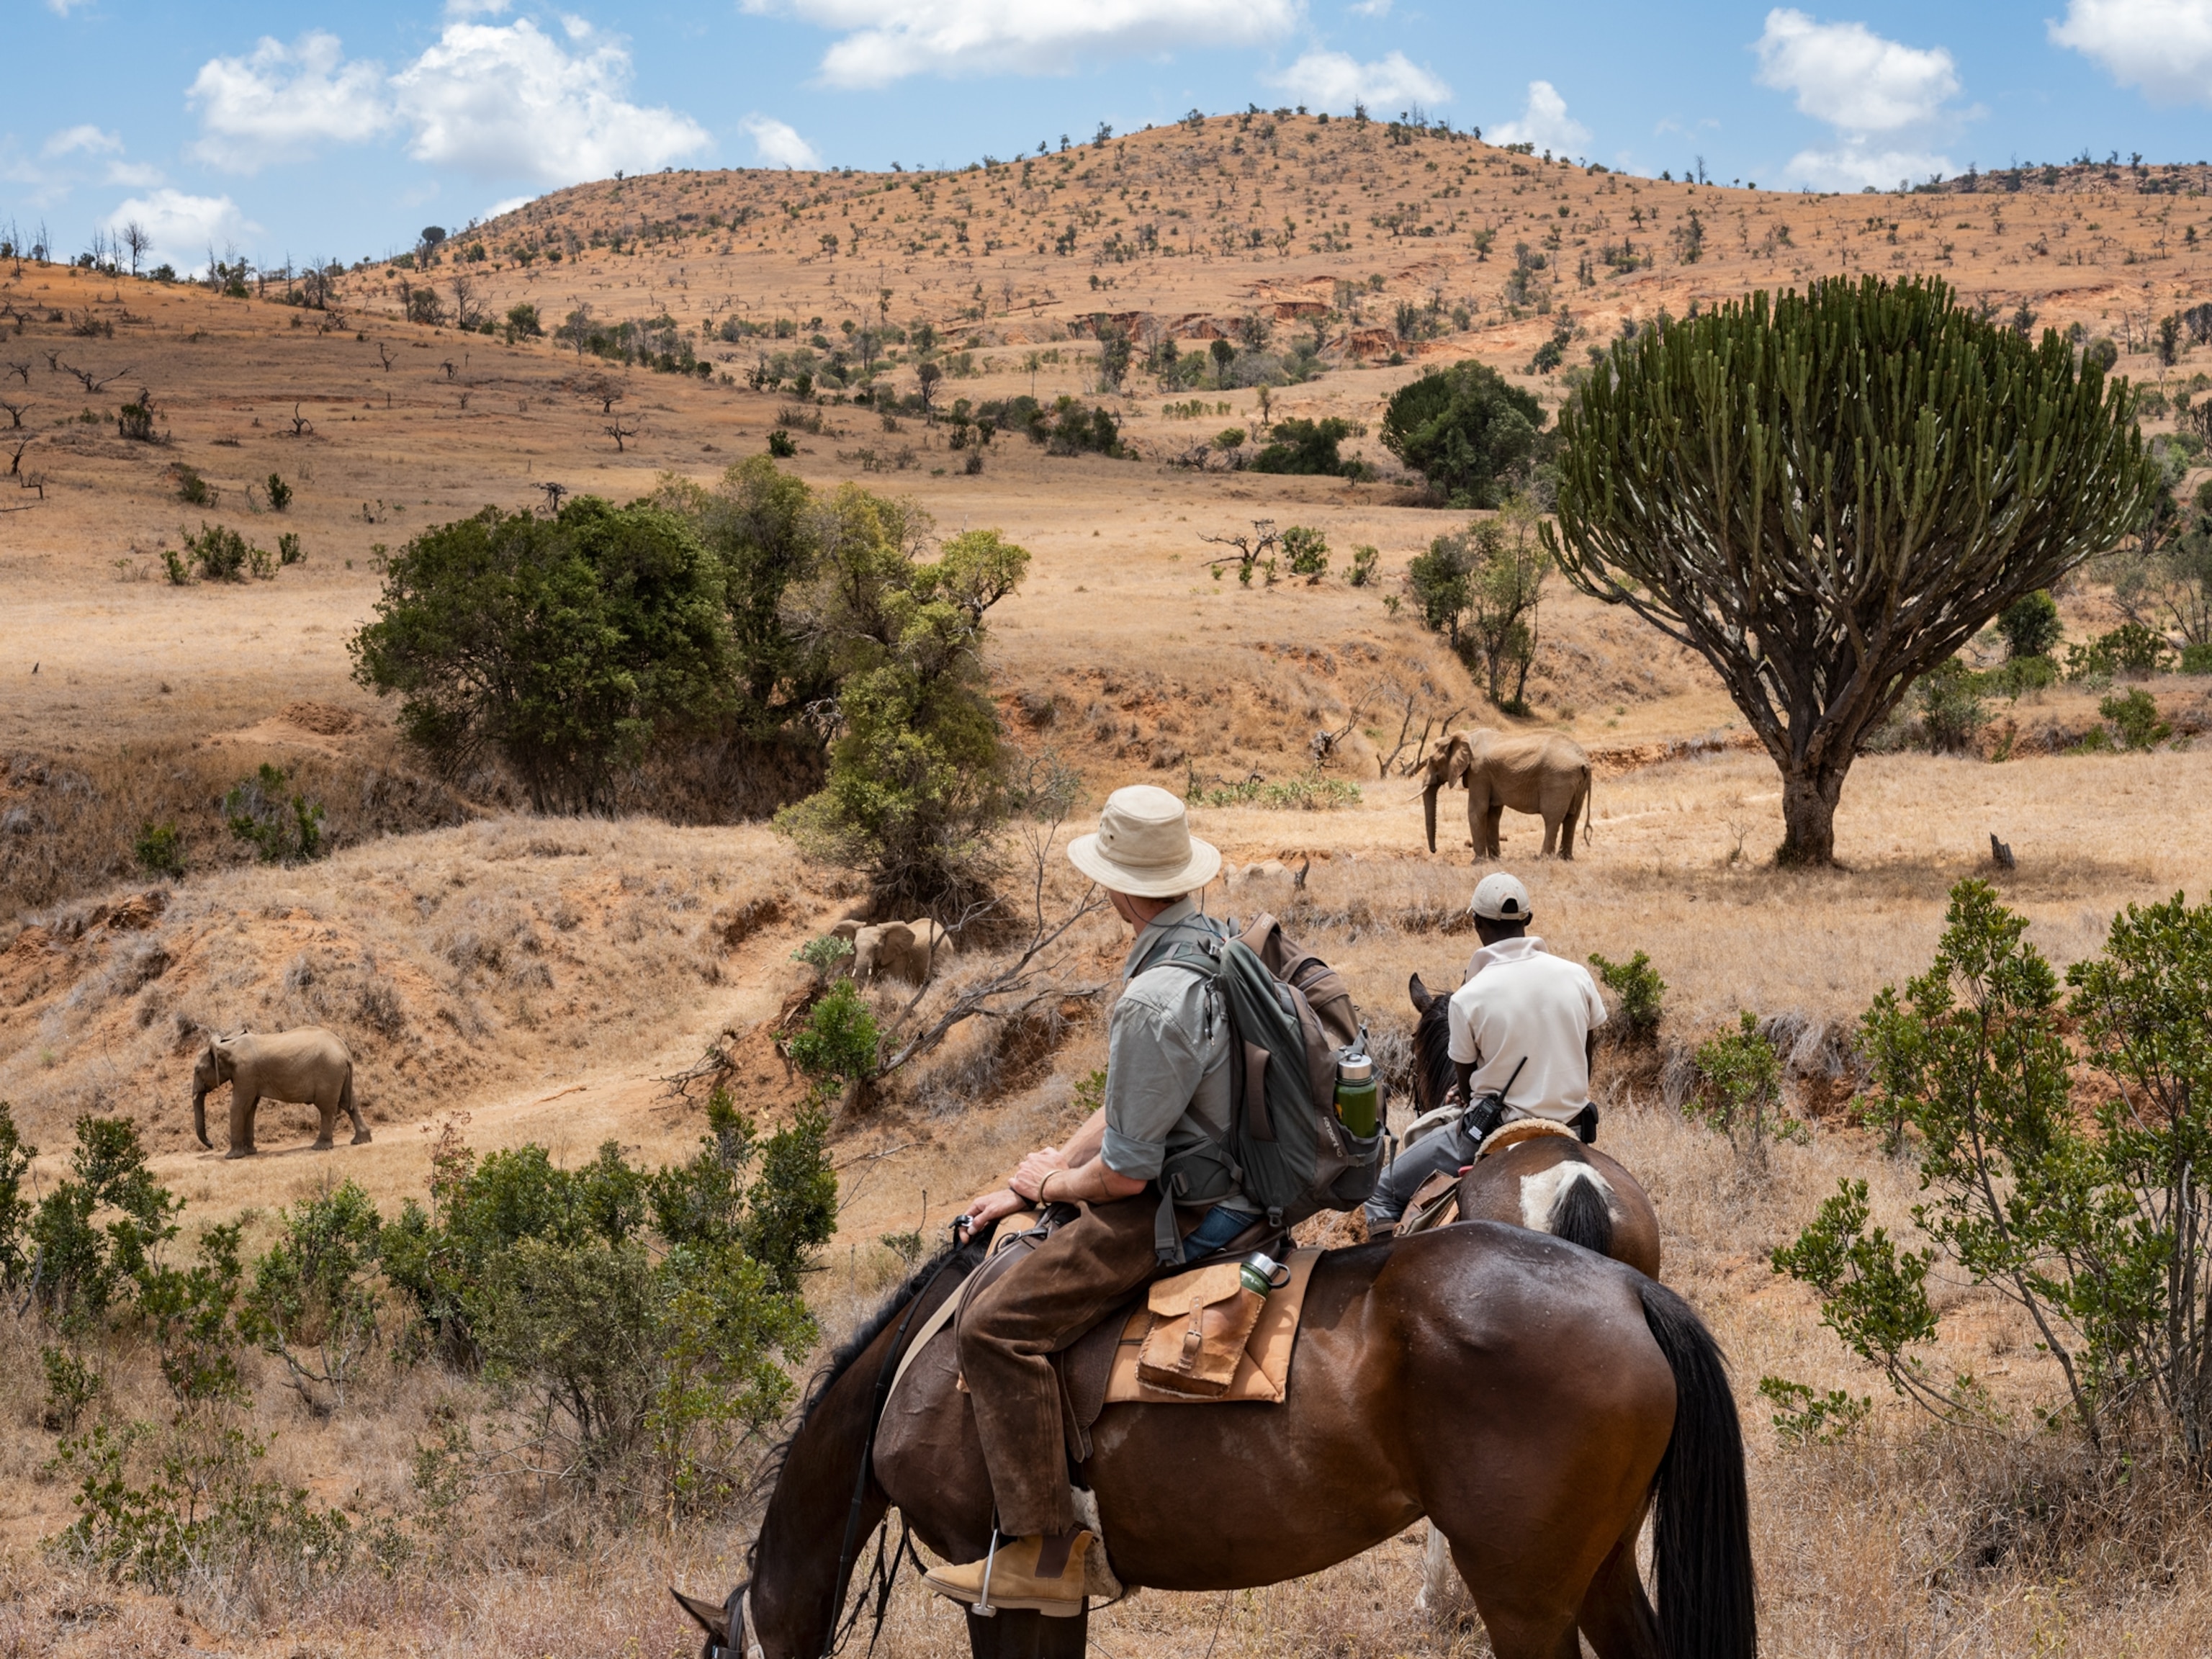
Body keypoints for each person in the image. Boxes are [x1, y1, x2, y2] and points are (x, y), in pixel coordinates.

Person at [922, 784, 1254, 1617]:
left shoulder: (1150, 997)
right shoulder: (1213, 945)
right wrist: (1023, 1181)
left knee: (992, 1327)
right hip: (1225, 1172)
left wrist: (1053, 1185)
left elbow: (1126, 1177)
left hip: (1172, 1205)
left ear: (1119, 886)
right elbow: (1125, 1107)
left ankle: (1043, 1550)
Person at [1363, 871, 1606, 1231]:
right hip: (1573, 1126)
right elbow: (1585, 1059)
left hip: (1500, 1130)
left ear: (1475, 922)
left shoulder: (1468, 999)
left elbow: (1468, 1091)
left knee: (1381, 1192)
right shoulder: (1577, 976)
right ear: (1528, 920)